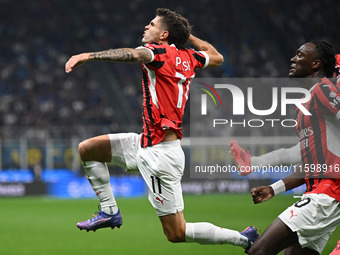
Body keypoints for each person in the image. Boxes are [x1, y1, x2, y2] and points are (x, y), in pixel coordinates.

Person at [65, 8, 258, 252]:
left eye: (152, 24)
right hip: (145, 142)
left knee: (176, 233)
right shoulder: (190, 57)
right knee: (88, 149)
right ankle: (110, 211)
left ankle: (244, 239)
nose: (147, 27)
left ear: (163, 34)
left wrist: (90, 56)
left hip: (161, 156)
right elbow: (216, 56)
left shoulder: (157, 53)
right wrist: (187, 37)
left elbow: (132, 55)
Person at [230, 41, 340, 255]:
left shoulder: (324, 89)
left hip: (327, 195)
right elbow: (312, 164)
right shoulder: (307, 103)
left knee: (258, 251)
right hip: (320, 191)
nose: (293, 59)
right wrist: (275, 188)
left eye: (299, 55)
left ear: (316, 64)